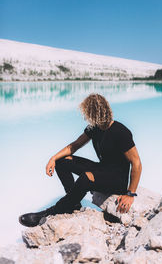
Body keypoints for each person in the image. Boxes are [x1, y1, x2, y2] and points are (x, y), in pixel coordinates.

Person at [19, 93, 142, 227]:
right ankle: (73, 203)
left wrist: (130, 194)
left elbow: (136, 163)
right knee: (62, 161)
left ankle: (52, 212)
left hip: (117, 179)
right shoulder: (94, 128)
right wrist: (53, 158)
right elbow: (75, 145)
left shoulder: (121, 131)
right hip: (103, 169)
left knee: (85, 178)